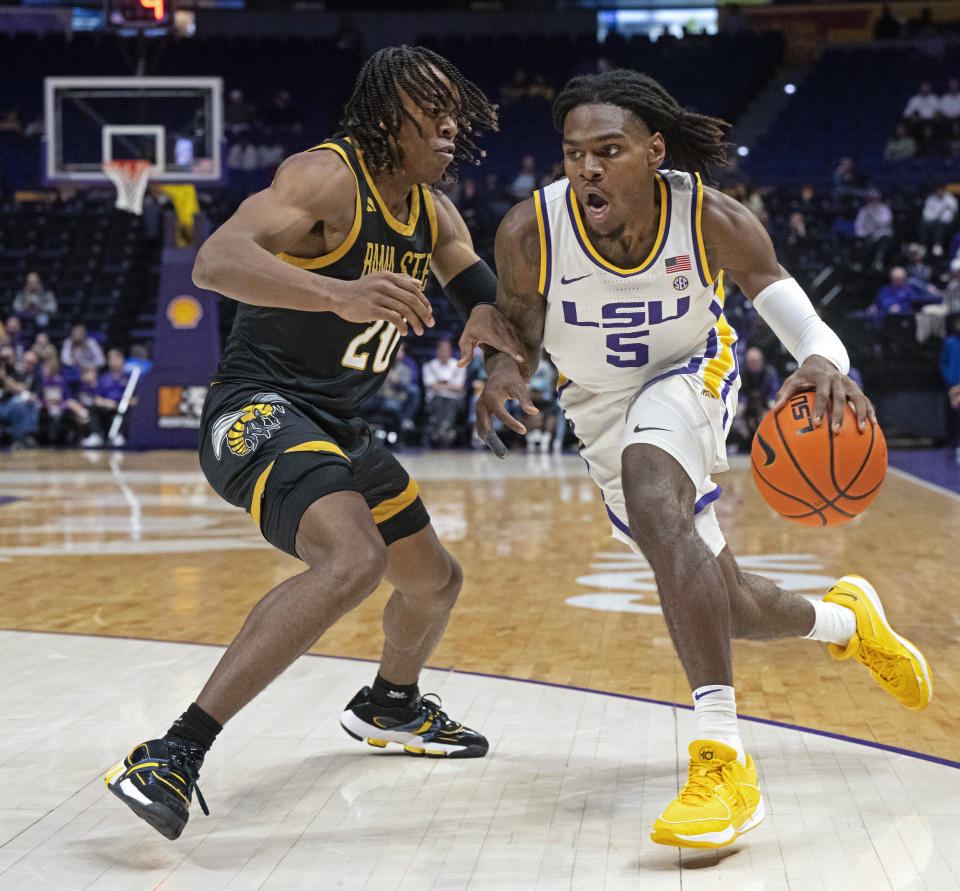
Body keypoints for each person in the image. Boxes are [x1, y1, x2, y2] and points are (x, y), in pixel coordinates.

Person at [476, 69, 932, 850]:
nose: (586, 167)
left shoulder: (711, 217)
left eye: (607, 150)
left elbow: (801, 318)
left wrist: (824, 360)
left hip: (691, 371)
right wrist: (502, 369)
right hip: (595, 405)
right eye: (573, 152)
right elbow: (517, 326)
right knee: (724, 598)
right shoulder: (531, 229)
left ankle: (721, 755)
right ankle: (842, 621)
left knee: (658, 497)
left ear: (653, 151)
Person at [105, 45, 526, 842]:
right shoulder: (325, 177)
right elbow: (217, 259)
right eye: (430, 107)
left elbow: (492, 306)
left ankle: (390, 705)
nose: (450, 123)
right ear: (383, 115)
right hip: (256, 407)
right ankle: (171, 751)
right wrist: (339, 291)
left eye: (455, 110)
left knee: (434, 582)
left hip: (339, 425)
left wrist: (501, 361)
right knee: (354, 560)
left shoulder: (435, 215)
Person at [422, 338, 468, 447]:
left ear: (450, 351)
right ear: (437, 351)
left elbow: (459, 387)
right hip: (435, 398)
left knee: (450, 402)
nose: (444, 352)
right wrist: (449, 385)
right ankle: (445, 428)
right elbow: (431, 386)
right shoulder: (429, 366)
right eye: (441, 350)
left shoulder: (459, 365)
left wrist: (440, 384)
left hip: (455, 399)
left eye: (446, 350)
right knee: (439, 400)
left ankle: (441, 429)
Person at [940, 313, 960, 464]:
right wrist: (949, 381)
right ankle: (952, 442)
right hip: (951, 384)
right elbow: (943, 362)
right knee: (951, 415)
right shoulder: (950, 342)